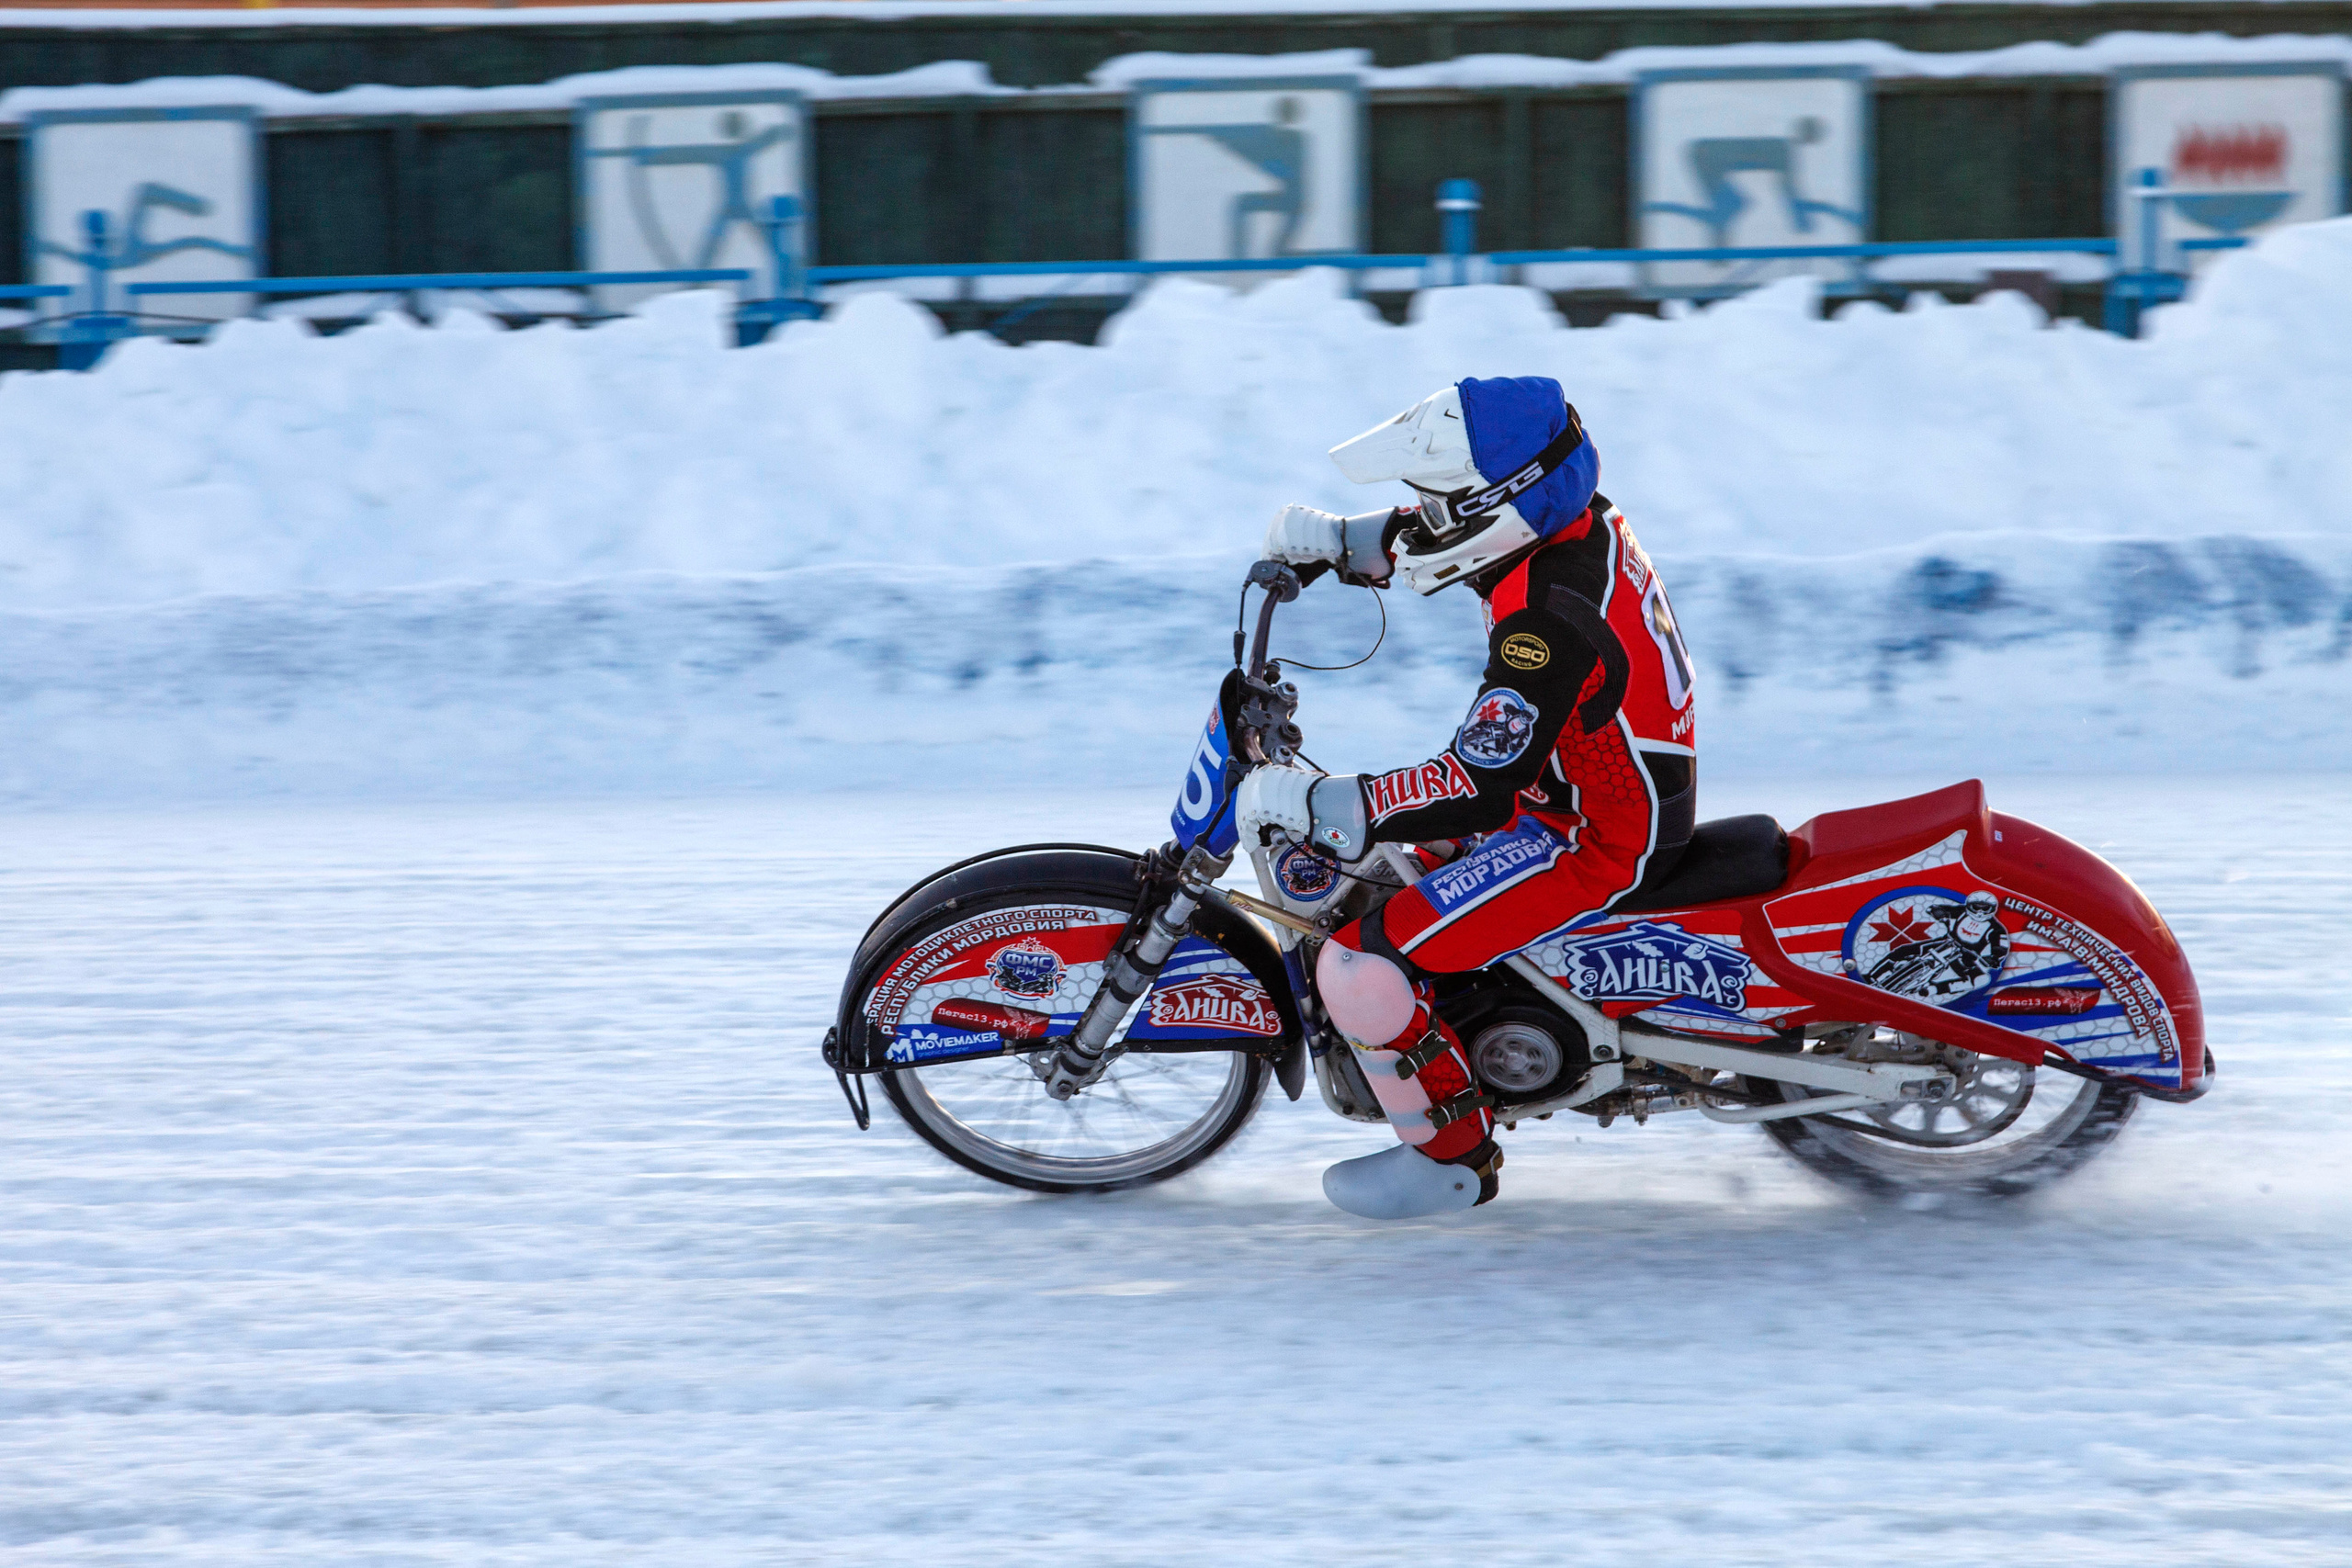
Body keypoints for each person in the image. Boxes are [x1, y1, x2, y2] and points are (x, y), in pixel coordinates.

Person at [1233, 376, 1699, 1220]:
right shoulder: (1570, 525)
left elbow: (1475, 784)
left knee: (1360, 962)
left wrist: (1326, 804)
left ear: (1500, 506)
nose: (1427, 513)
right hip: (1568, 790)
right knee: (1388, 873)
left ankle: (1450, 1157)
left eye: (1440, 500)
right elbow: (1459, 533)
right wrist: (1343, 541)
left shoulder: (1545, 622)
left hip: (1591, 837)